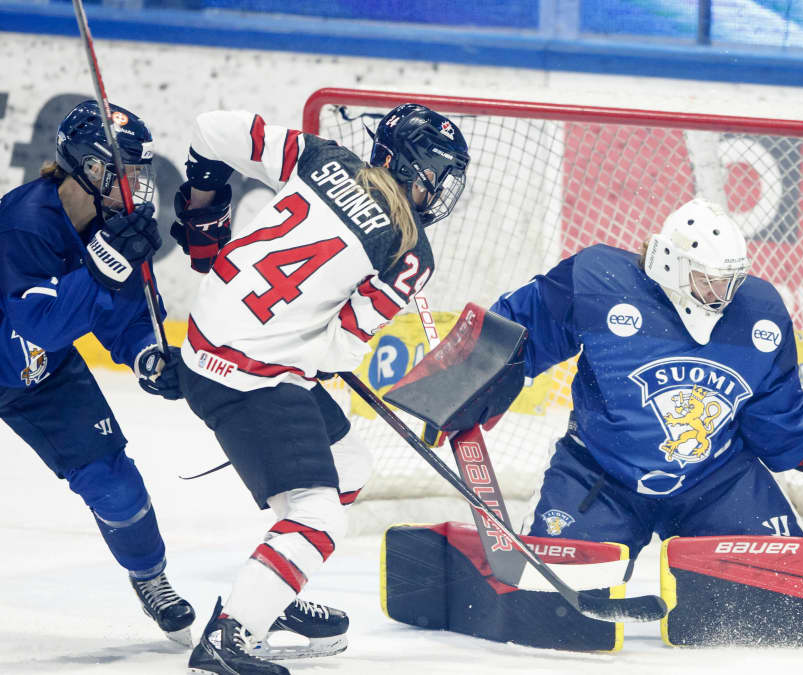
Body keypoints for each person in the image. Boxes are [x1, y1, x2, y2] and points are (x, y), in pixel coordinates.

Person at [169, 103, 469, 674]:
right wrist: (308, 339)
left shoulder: (319, 157)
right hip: (251, 377)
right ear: (410, 167)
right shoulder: (411, 253)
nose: (439, 192)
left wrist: (206, 199)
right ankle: (231, 638)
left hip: (205, 340)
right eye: (436, 176)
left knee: (349, 465)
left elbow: (209, 128)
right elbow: (342, 351)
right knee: (321, 516)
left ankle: (267, 589)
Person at [490, 198, 803, 558]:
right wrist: (466, 379)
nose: (722, 296)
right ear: (671, 264)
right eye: (709, 282)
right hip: (599, 475)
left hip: (716, 481)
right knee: (555, 592)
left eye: (730, 283)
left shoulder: (760, 313)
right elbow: (517, 332)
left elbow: (778, 418)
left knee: (783, 587)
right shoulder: (598, 282)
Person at [0, 100, 195, 646]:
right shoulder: (24, 221)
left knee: (114, 483)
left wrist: (146, 356)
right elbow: (40, 322)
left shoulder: (114, 226)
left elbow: (128, 315)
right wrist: (106, 261)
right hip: (27, 348)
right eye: (124, 170)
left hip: (41, 376)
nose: (135, 185)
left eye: (140, 171)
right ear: (88, 166)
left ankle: (151, 578)